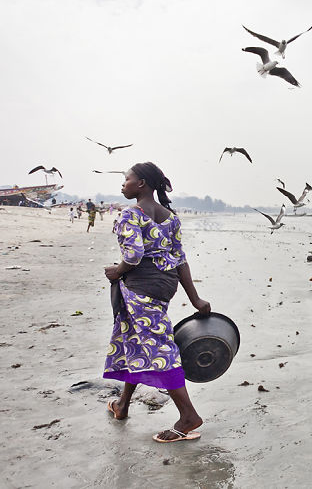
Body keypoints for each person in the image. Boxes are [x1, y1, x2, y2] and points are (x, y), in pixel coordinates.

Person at [102, 162, 211, 443]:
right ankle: (122, 405)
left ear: (141, 184)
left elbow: (134, 255)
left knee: (160, 350)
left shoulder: (131, 214)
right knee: (135, 341)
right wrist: (195, 298)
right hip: (164, 287)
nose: (123, 184)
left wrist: (117, 271)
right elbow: (180, 259)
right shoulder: (170, 218)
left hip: (140, 288)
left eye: (127, 179)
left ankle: (188, 416)